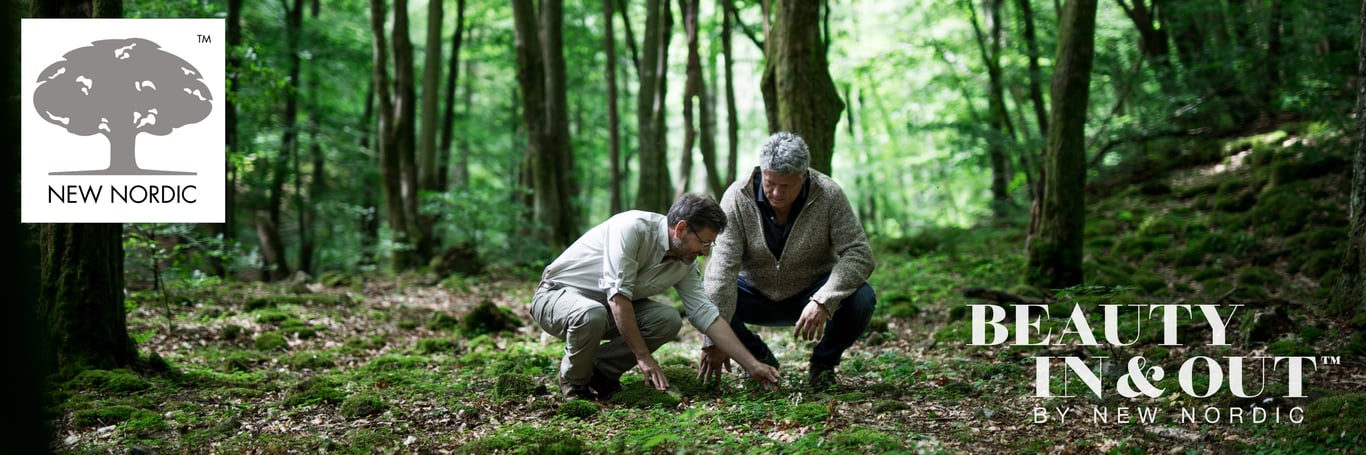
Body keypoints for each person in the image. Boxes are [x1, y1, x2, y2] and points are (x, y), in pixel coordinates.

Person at [532, 193, 781, 400]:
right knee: (590, 314)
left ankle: (600, 371)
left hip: (603, 310)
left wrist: (752, 364)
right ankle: (574, 382)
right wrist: (644, 358)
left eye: (710, 246)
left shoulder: (684, 261)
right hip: (556, 297)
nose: (705, 253)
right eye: (704, 243)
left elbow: (707, 315)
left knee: (668, 319)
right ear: (681, 229)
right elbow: (618, 299)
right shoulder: (632, 229)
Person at [700, 132, 877, 391]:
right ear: (762, 172)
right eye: (770, 183)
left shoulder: (828, 194)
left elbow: (859, 253)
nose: (776, 193)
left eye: (786, 186)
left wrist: (824, 299)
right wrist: (712, 340)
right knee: (707, 293)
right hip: (752, 293)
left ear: (803, 176)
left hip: (810, 294)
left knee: (862, 298)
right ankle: (758, 357)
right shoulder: (737, 197)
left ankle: (823, 365)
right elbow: (722, 271)